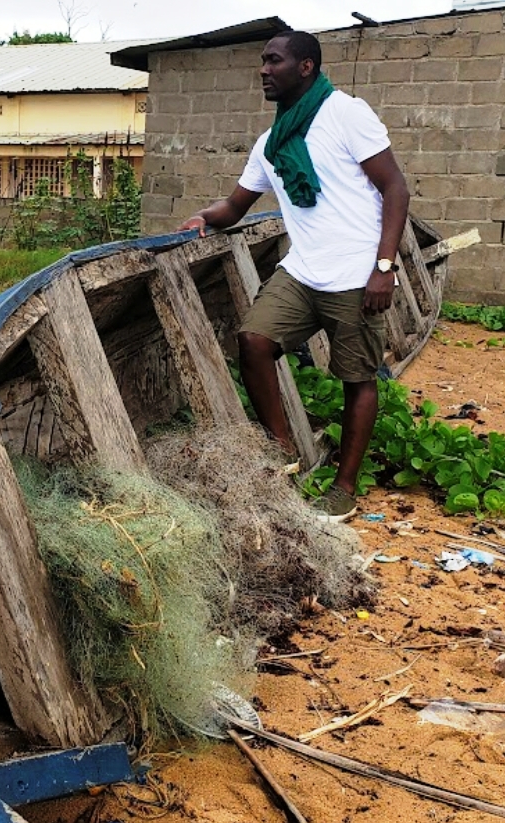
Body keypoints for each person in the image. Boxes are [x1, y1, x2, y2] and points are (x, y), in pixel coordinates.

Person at [179, 30, 410, 521]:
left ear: (306, 67)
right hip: (303, 270)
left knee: (356, 378)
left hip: (356, 272)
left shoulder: (346, 114)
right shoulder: (271, 143)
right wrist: (203, 216)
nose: (263, 70)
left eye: (273, 61)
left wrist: (383, 267)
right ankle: (282, 452)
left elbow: (395, 189)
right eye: (262, 62)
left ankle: (344, 488)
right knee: (254, 341)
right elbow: (237, 204)